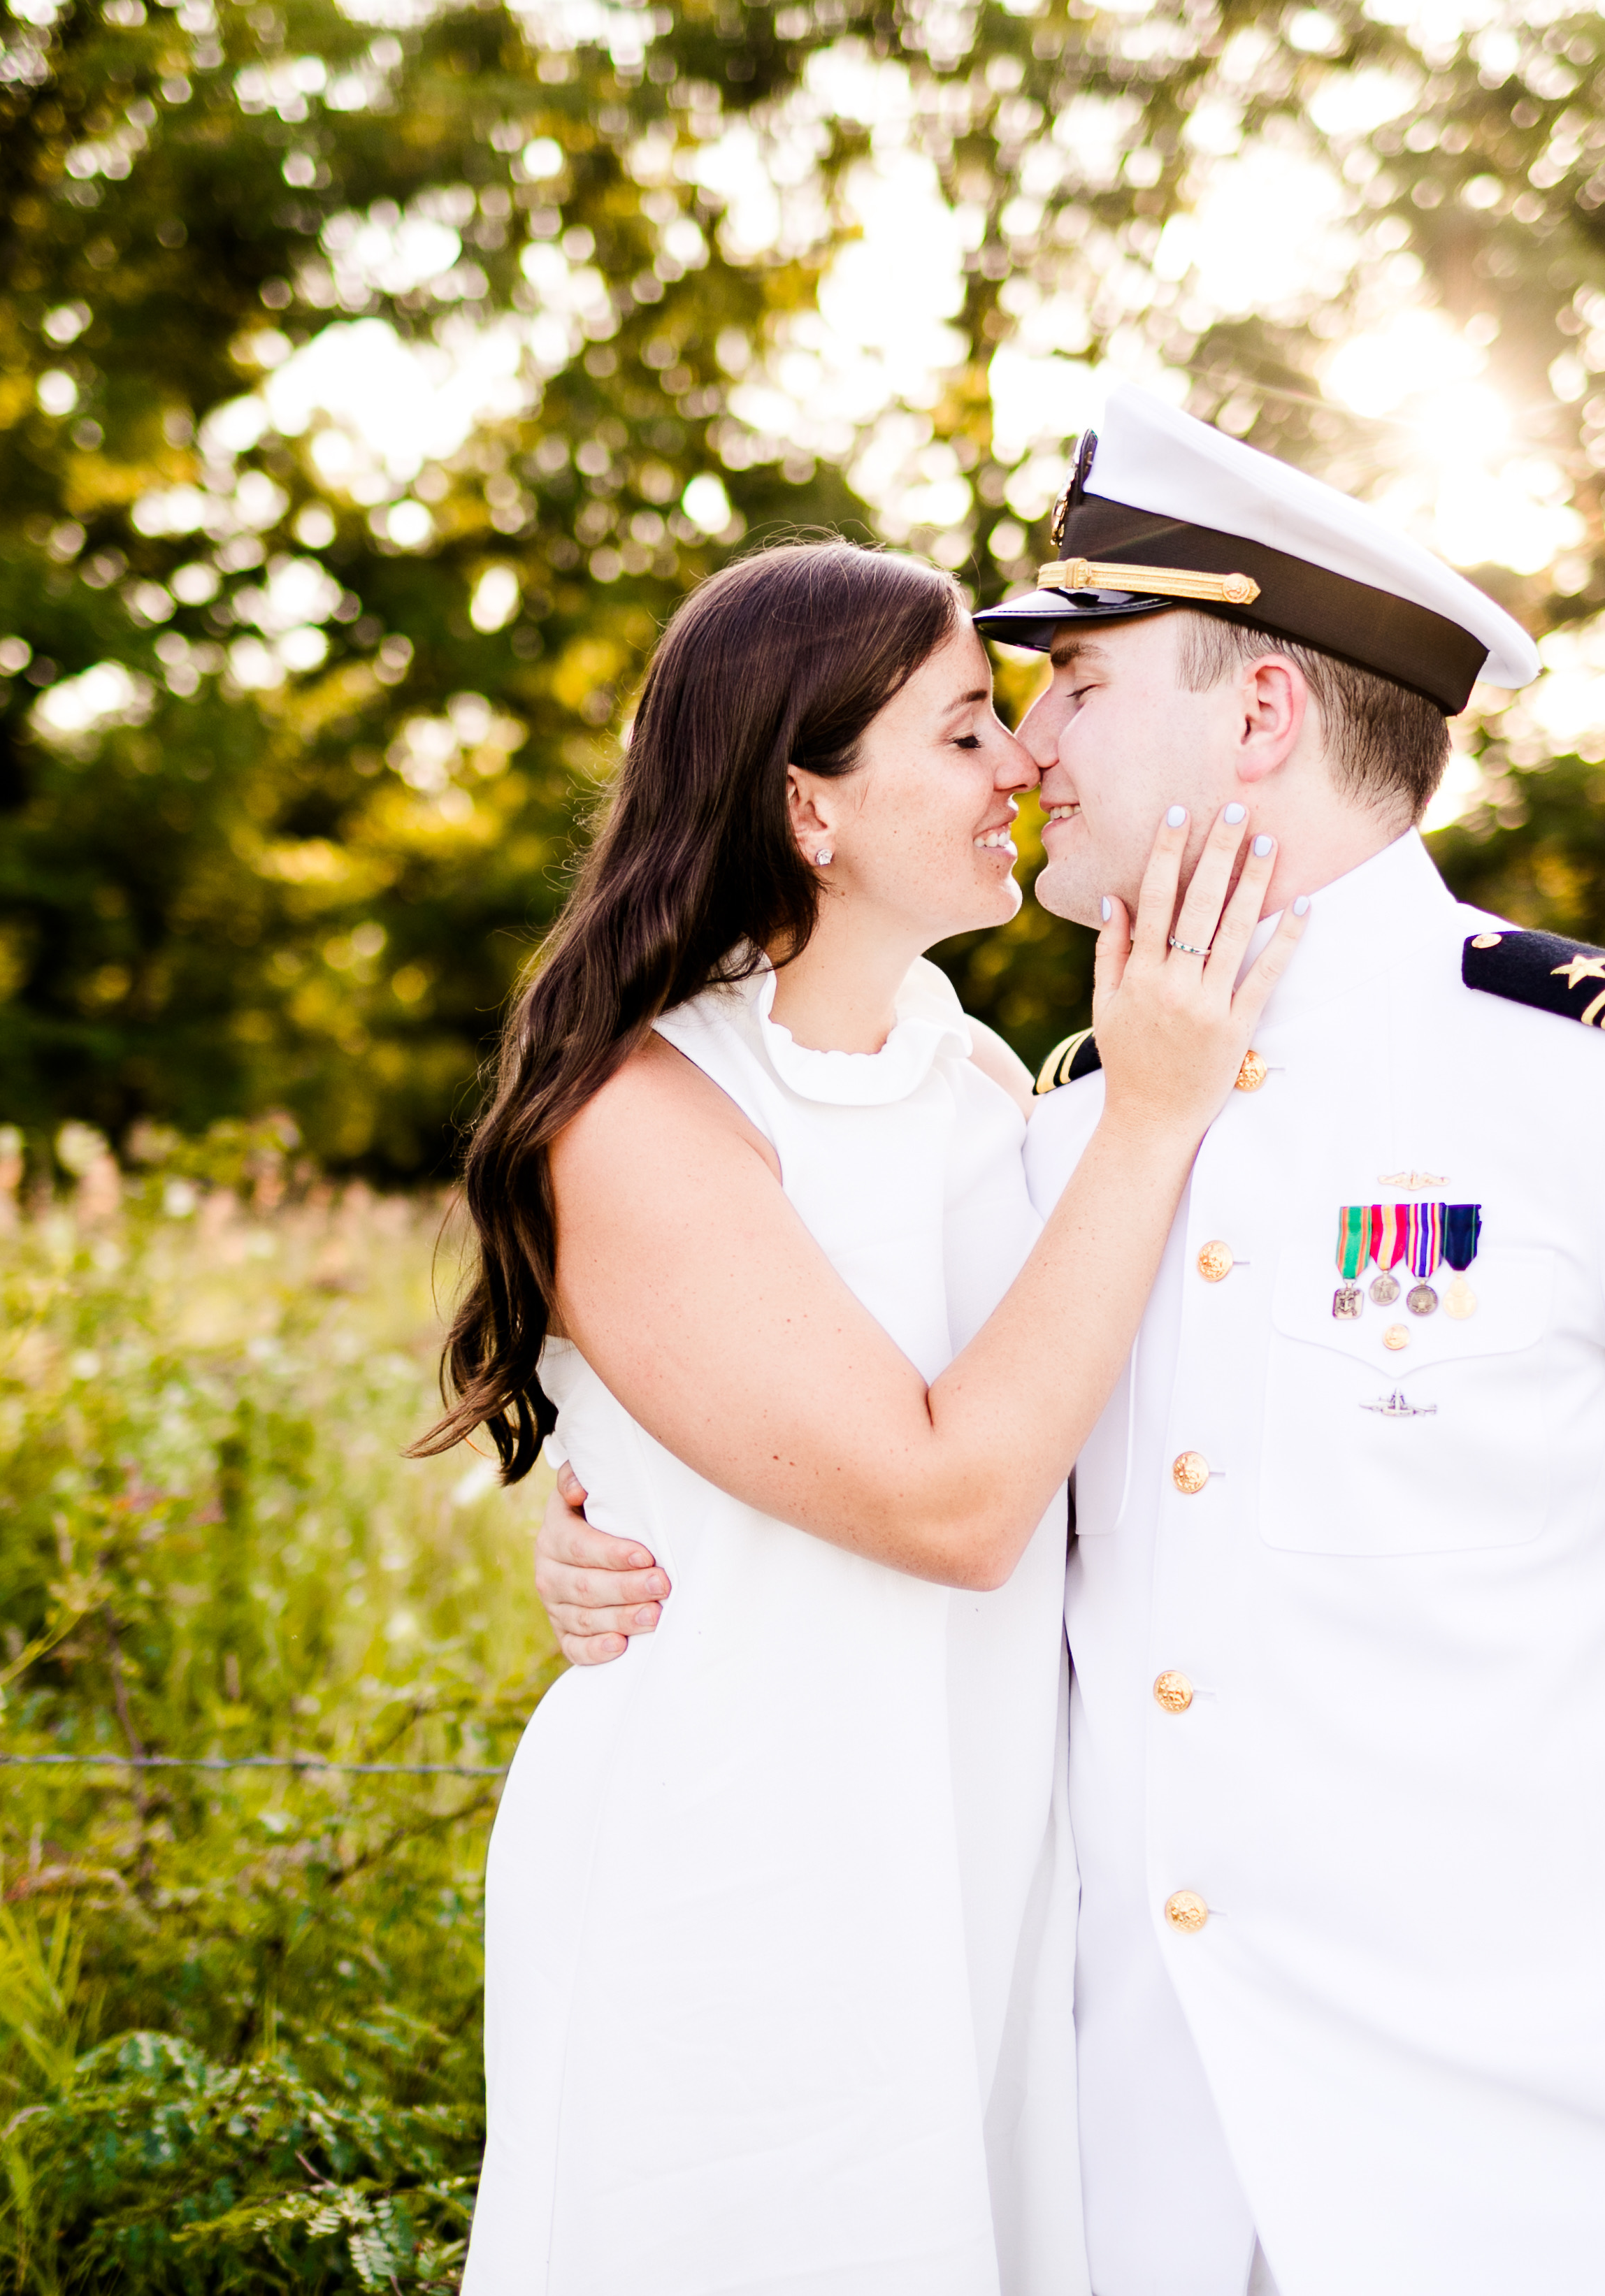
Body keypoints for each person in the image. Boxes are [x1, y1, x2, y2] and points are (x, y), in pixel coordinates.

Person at [531, 385, 1605, 2295]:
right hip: (1109, 2186)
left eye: (1077, 680)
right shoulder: (1049, 1133)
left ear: (1258, 716)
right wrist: (622, 1535)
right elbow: (874, 1455)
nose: (1032, 739)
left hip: (1531, 2189)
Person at [419, 537, 1300, 2295]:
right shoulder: (646, 1114)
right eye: (967, 727)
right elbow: (951, 1502)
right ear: (809, 806)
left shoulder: (968, 1067)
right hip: (752, 1854)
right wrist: (1150, 1114)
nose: (1025, 762)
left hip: (979, 1835)